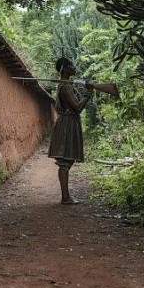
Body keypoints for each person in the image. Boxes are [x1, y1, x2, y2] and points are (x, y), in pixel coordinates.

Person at [48, 57, 94, 204]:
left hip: (69, 123)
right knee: (65, 161)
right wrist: (88, 95)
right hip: (67, 124)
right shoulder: (66, 86)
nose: (74, 67)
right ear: (65, 69)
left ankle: (66, 196)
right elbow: (77, 107)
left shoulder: (67, 84)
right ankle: (65, 197)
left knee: (67, 161)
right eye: (71, 65)